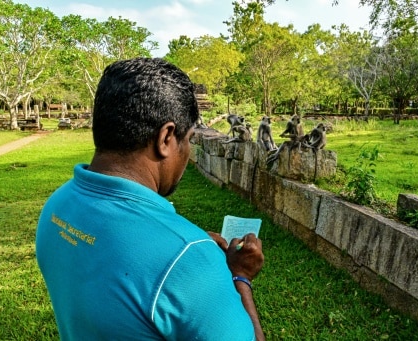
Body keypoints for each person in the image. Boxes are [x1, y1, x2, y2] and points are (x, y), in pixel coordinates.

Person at [36, 58, 265, 340]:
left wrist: (177, 247)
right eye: (189, 140)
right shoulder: (191, 261)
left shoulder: (57, 206)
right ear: (166, 138)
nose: (188, 152)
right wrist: (240, 277)